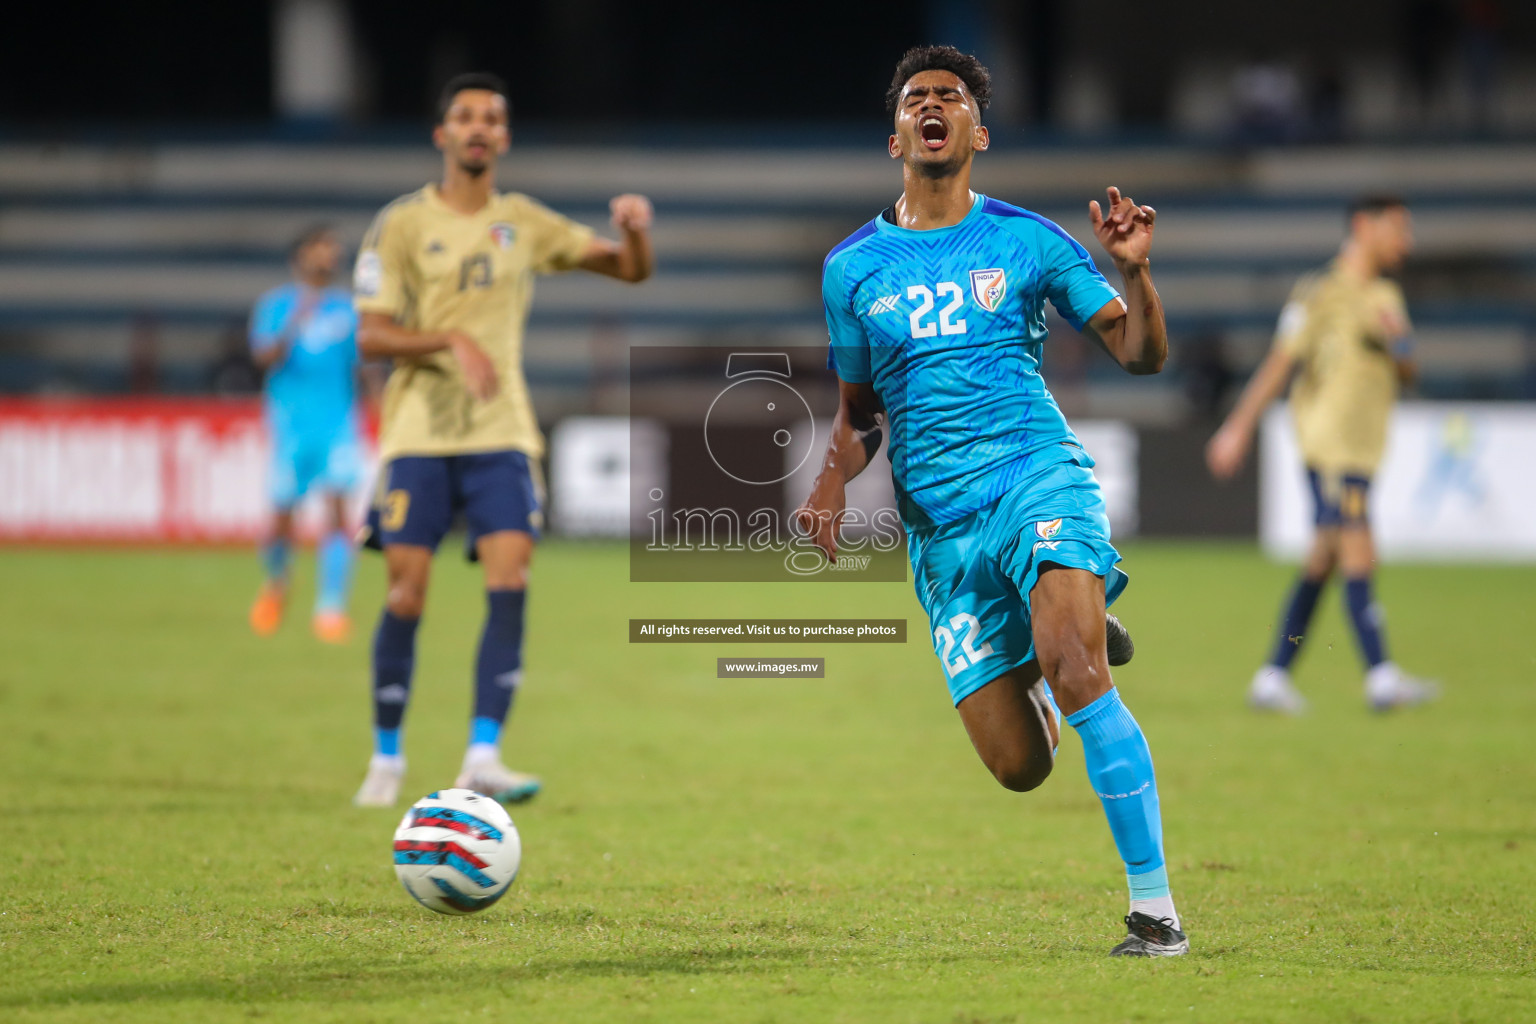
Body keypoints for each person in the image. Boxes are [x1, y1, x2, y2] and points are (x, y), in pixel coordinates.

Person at [796, 46, 1184, 957]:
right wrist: (825, 487)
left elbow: (1142, 356)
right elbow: (860, 415)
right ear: (894, 133)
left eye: (952, 97)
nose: (933, 106)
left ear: (977, 131)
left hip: (1032, 477)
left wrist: (1134, 273)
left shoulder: (1029, 240)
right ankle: (1056, 646)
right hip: (941, 532)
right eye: (916, 98)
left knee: (1085, 673)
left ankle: (1156, 913)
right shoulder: (851, 269)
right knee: (1017, 767)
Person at [350, 73, 654, 808]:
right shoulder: (400, 225)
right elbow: (371, 335)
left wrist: (636, 230)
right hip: (419, 433)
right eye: (465, 116)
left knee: (510, 582)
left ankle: (483, 753)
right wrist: (450, 340)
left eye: (492, 118)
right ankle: (386, 757)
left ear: (505, 138)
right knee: (405, 592)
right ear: (442, 135)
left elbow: (628, 271)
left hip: (502, 433)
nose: (479, 127)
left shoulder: (522, 221)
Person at [1206, 196, 1438, 714]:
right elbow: (1280, 363)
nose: (1407, 242)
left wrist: (1400, 347)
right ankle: (1381, 676)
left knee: (1324, 557)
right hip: (1330, 449)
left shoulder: (1385, 296)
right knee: (1359, 548)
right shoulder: (1321, 292)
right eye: (1399, 229)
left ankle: (1272, 676)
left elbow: (1409, 372)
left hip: (1363, 449)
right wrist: (1237, 428)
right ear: (1364, 226)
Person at [248, 225, 362, 644]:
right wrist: (298, 318)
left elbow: (364, 366)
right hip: (290, 426)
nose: (328, 256)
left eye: (332, 250)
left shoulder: (349, 310)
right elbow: (265, 357)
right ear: (300, 257)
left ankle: (331, 608)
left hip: (337, 426)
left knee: (337, 513)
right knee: (282, 518)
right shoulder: (276, 306)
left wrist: (383, 408)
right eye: (320, 249)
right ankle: (276, 584)